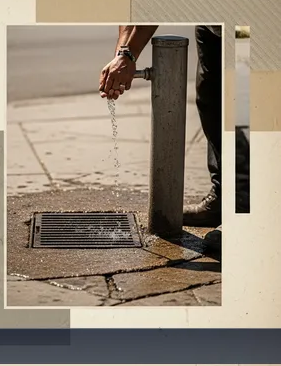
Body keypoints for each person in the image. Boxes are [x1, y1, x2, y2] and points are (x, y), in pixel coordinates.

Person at [98, 25, 249, 251]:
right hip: (214, 18)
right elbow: (137, 7)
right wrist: (124, 54)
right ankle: (224, 196)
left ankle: (246, 211)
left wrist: (126, 55)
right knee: (212, 97)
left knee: (245, 103)